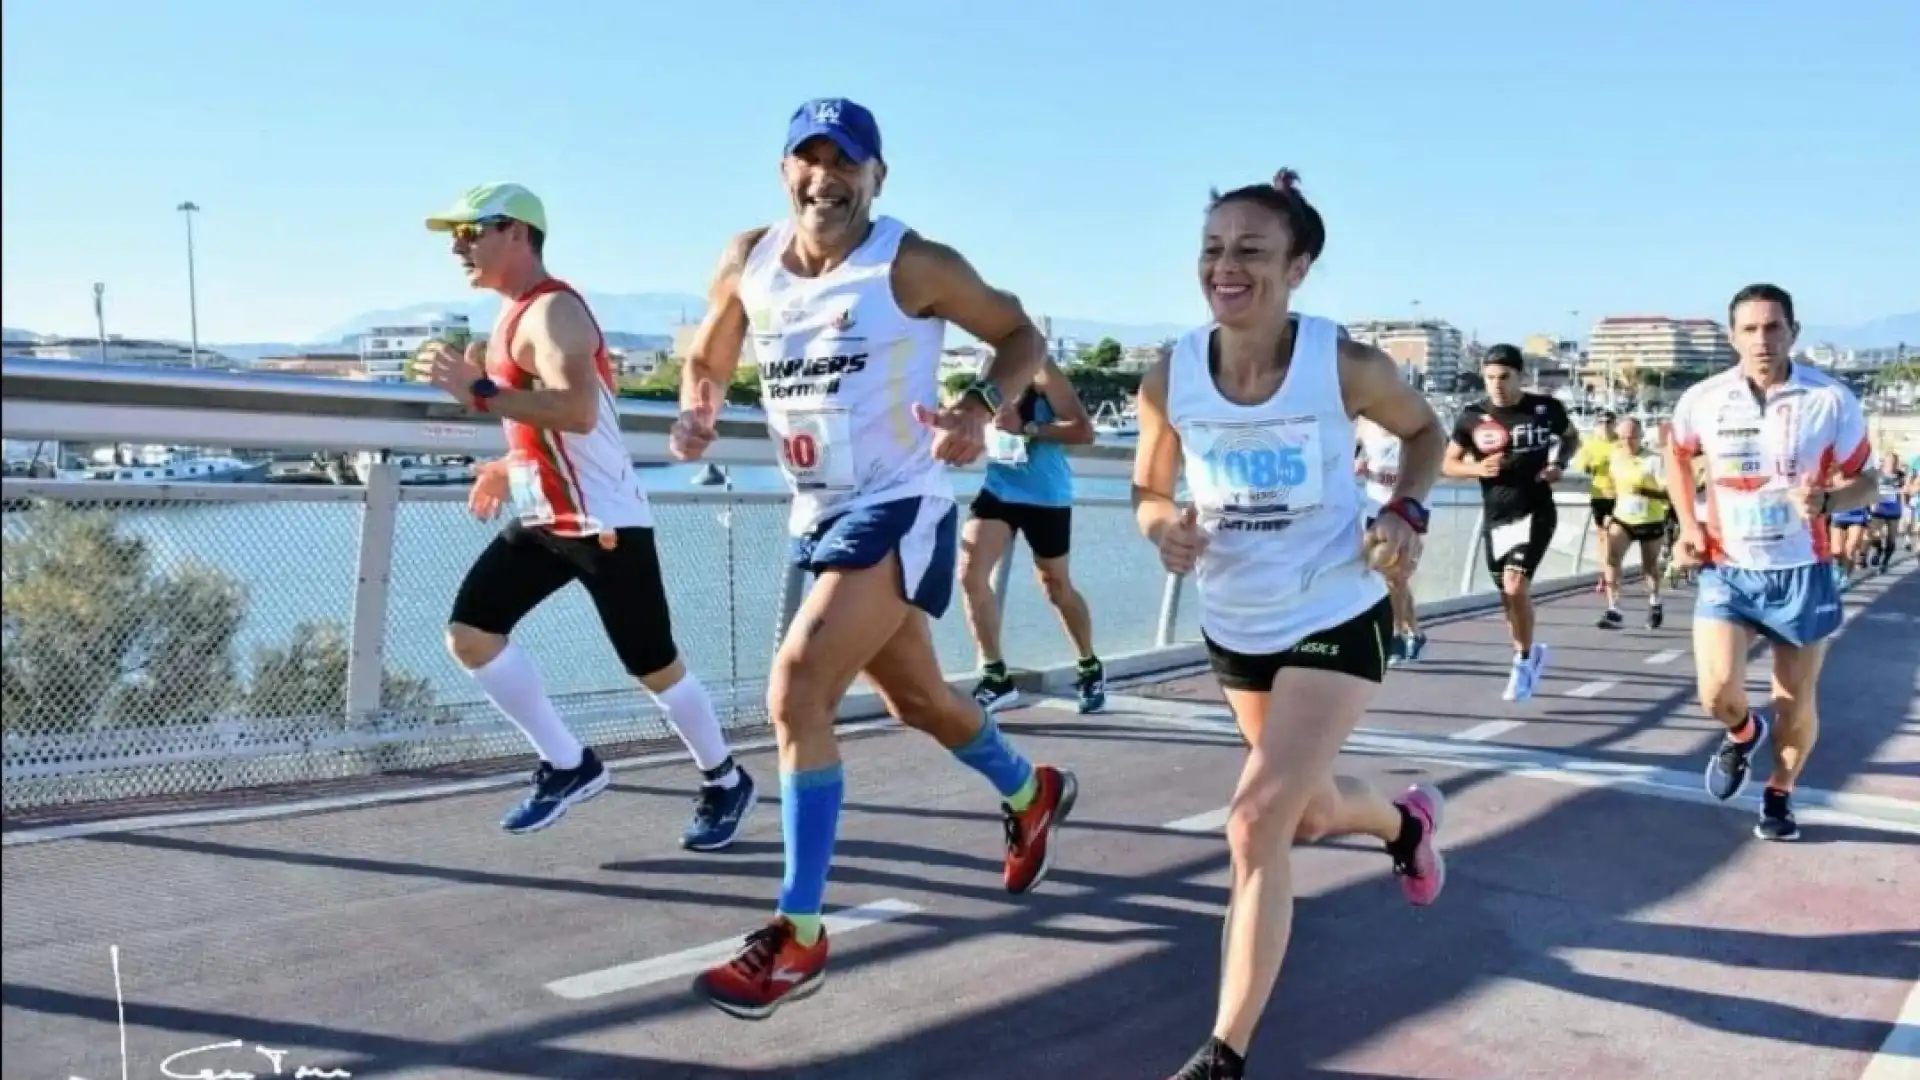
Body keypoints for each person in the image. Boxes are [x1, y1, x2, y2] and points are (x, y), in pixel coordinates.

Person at [667, 98, 1077, 1019]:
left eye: (846, 162)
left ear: (877, 176)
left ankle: (801, 933)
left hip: (901, 504)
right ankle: (1029, 787)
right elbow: (713, 353)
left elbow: (1022, 335)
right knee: (917, 700)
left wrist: (979, 406)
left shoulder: (911, 261)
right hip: (815, 512)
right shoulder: (749, 257)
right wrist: (698, 401)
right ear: (784, 173)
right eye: (809, 160)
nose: (827, 178)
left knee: (797, 689)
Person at [1133, 169, 1449, 1080]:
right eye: (1212, 250)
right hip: (1236, 620)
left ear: (1298, 267)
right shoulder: (1171, 373)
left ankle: (1222, 1053)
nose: (1225, 268)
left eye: (1251, 251)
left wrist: (1406, 514)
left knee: (1254, 821)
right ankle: (1402, 825)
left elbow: (1426, 436)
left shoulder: (1339, 364)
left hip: (1335, 607)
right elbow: (1149, 489)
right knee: (1302, 812)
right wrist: (1165, 529)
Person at [413, 182, 758, 848]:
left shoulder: (555, 312)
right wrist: (503, 466)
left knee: (653, 664)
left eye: (469, 231)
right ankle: (570, 763)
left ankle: (724, 778)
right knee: (471, 633)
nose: (458, 246)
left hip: (604, 521)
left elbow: (576, 410)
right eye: (453, 235)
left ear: (516, 232)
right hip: (546, 519)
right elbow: (548, 427)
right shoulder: (511, 317)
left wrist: (479, 394)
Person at [1666, 282, 1879, 842]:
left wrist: (1831, 501)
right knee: (1715, 692)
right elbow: (1677, 454)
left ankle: (1779, 793)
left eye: (1774, 327)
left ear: (1793, 331)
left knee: (1795, 702)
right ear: (1732, 336)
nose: (1763, 339)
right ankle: (1741, 732)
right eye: (1751, 329)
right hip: (1727, 568)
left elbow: (1868, 481)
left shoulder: (1831, 399)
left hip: (1802, 571)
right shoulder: (1704, 398)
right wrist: (1689, 526)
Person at [959, 355, 1108, 714]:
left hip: (1045, 494)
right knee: (969, 574)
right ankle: (995, 676)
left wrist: (1026, 427)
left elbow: (1083, 431)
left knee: (1055, 585)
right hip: (998, 489)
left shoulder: (1042, 371)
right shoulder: (986, 373)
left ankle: (1089, 665)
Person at [1442, 344, 1580, 702]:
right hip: (1496, 515)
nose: (1496, 385)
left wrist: (1559, 465)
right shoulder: (1472, 416)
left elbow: (1571, 438)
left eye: (1504, 377)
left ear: (1521, 375)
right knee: (1507, 596)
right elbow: (1448, 465)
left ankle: (1521, 662)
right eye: (1489, 378)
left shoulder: (1545, 409)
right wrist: (1476, 468)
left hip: (1535, 510)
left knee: (1516, 585)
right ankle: (1527, 651)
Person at [1354, 414, 1425, 662]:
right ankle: (1413, 631)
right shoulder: (1364, 425)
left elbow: (1433, 462)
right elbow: (1356, 458)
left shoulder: (1413, 424)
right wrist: (1360, 464)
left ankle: (1394, 635)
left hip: (1406, 513)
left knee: (1395, 576)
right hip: (1374, 509)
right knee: (1392, 577)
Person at [1599, 416, 1670, 628]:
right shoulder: (1615, 457)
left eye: (1632, 437)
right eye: (1623, 437)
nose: (1628, 442)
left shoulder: (1654, 460)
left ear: (1640, 437)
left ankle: (1655, 600)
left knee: (1649, 568)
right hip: (1623, 518)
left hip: (1650, 519)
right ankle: (1614, 609)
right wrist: (1608, 508)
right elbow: (1613, 485)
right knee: (1612, 559)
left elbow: (1669, 494)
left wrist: (1646, 491)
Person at [1573, 408, 1619, 603]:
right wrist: (1592, 465)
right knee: (1603, 537)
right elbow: (1580, 466)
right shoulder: (1590, 444)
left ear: (1614, 424)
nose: (1605, 426)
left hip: (1621, 495)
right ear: (1596, 425)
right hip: (1600, 495)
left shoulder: (1621, 443)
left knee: (1614, 537)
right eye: (1601, 423)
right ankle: (1605, 575)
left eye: (1609, 423)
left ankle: (1611, 575)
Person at [1865, 450, 1907, 572]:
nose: (1892, 465)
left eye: (1894, 462)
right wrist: (1872, 503)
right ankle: (1878, 550)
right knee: (1873, 535)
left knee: (1891, 539)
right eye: (1889, 462)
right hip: (1879, 509)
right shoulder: (1877, 474)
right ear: (1885, 462)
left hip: (1894, 511)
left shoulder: (1901, 475)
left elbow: (1903, 493)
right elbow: (1870, 490)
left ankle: (1885, 562)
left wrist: (1903, 509)